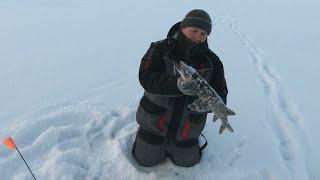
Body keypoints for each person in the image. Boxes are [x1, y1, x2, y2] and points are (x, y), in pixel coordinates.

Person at [132, 9, 228, 167]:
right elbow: (146, 77)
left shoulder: (213, 61)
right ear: (183, 27)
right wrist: (175, 85)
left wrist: (209, 105)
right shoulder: (159, 48)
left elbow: (221, 92)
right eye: (194, 30)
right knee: (144, 161)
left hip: (188, 129)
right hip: (154, 124)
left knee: (188, 163)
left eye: (203, 34)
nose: (198, 36)